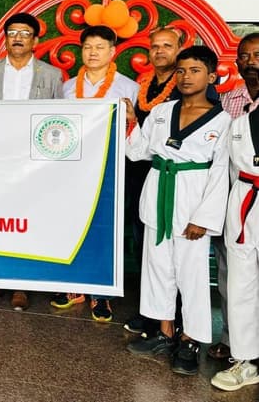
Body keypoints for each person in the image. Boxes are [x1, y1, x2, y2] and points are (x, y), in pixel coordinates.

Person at [124, 46, 230, 376]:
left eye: (195, 70)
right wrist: (131, 123)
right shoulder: (161, 111)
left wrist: (204, 218)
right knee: (157, 268)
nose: (186, 77)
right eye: (181, 70)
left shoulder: (223, 120)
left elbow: (220, 171)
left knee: (191, 275)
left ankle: (190, 340)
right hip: (158, 193)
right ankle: (165, 332)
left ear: (210, 77)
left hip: (192, 200)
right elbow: (138, 152)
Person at [52, 24, 139, 322]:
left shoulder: (128, 88)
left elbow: (134, 131)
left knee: (104, 229)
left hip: (109, 170)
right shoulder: (67, 88)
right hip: (72, 169)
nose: (93, 53)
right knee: (71, 226)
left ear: (112, 52)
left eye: (100, 47)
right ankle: (74, 287)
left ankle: (102, 294)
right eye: (88, 47)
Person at [0, 12, 63, 310]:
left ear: (35, 40)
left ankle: (21, 285)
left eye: (25, 33)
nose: (18, 38)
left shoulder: (51, 75)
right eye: (12, 32)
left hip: (31, 161)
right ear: (5, 38)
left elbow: (58, 120)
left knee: (26, 221)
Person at [123, 26, 184, 337]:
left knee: (171, 252)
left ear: (179, 49)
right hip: (139, 173)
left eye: (167, 46)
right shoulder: (144, 85)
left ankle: (176, 318)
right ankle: (151, 312)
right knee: (145, 246)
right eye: (155, 46)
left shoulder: (185, 85)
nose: (160, 51)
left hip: (172, 176)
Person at [211, 37, 259, 390]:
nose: (251, 61)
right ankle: (245, 359)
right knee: (240, 282)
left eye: (258, 55)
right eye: (245, 56)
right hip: (241, 198)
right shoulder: (230, 104)